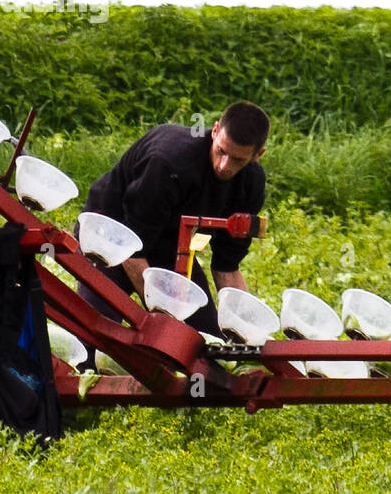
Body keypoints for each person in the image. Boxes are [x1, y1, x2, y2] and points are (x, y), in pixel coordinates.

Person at [79, 102, 268, 340]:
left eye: (237, 160)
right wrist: (165, 317)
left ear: (257, 155)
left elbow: (226, 266)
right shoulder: (169, 162)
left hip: (171, 248)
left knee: (206, 343)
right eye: (221, 151)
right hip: (110, 236)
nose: (224, 166)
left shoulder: (250, 185)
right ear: (215, 130)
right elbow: (131, 249)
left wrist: (246, 334)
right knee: (97, 337)